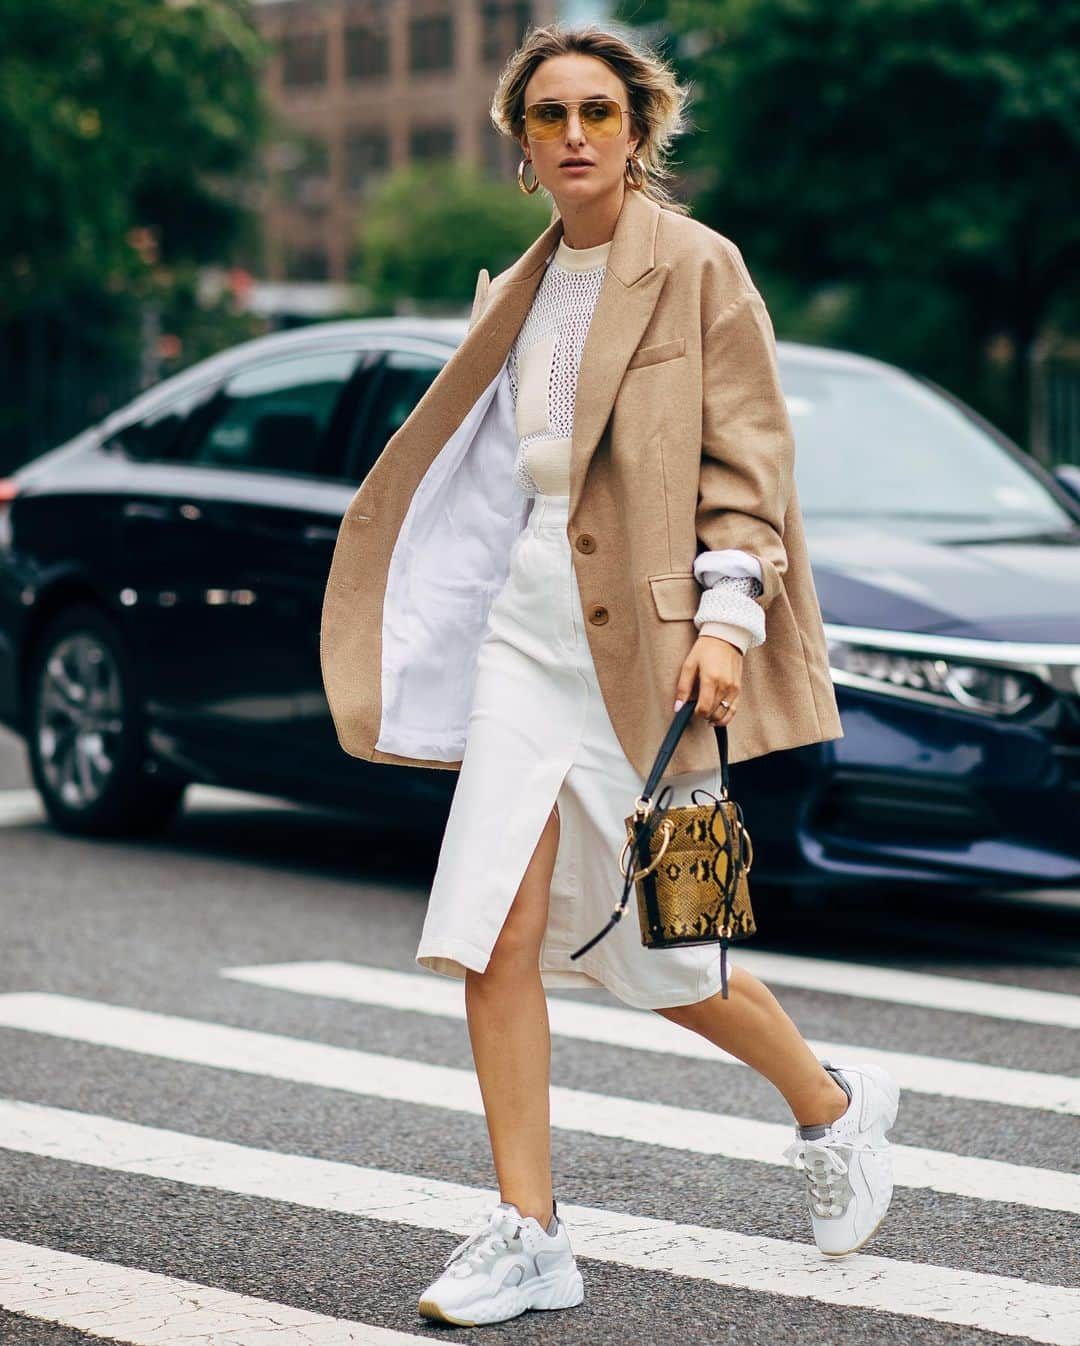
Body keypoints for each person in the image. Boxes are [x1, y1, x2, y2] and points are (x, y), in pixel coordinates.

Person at [319, 21, 901, 1330]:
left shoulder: (700, 270)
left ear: (638, 130)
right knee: (493, 933)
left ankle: (833, 1103)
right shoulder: (516, 291)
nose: (573, 133)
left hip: (647, 648)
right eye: (547, 116)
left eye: (597, 111)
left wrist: (729, 619)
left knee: (675, 947)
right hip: (524, 645)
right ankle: (531, 1231)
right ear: (521, 145)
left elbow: (749, 460)